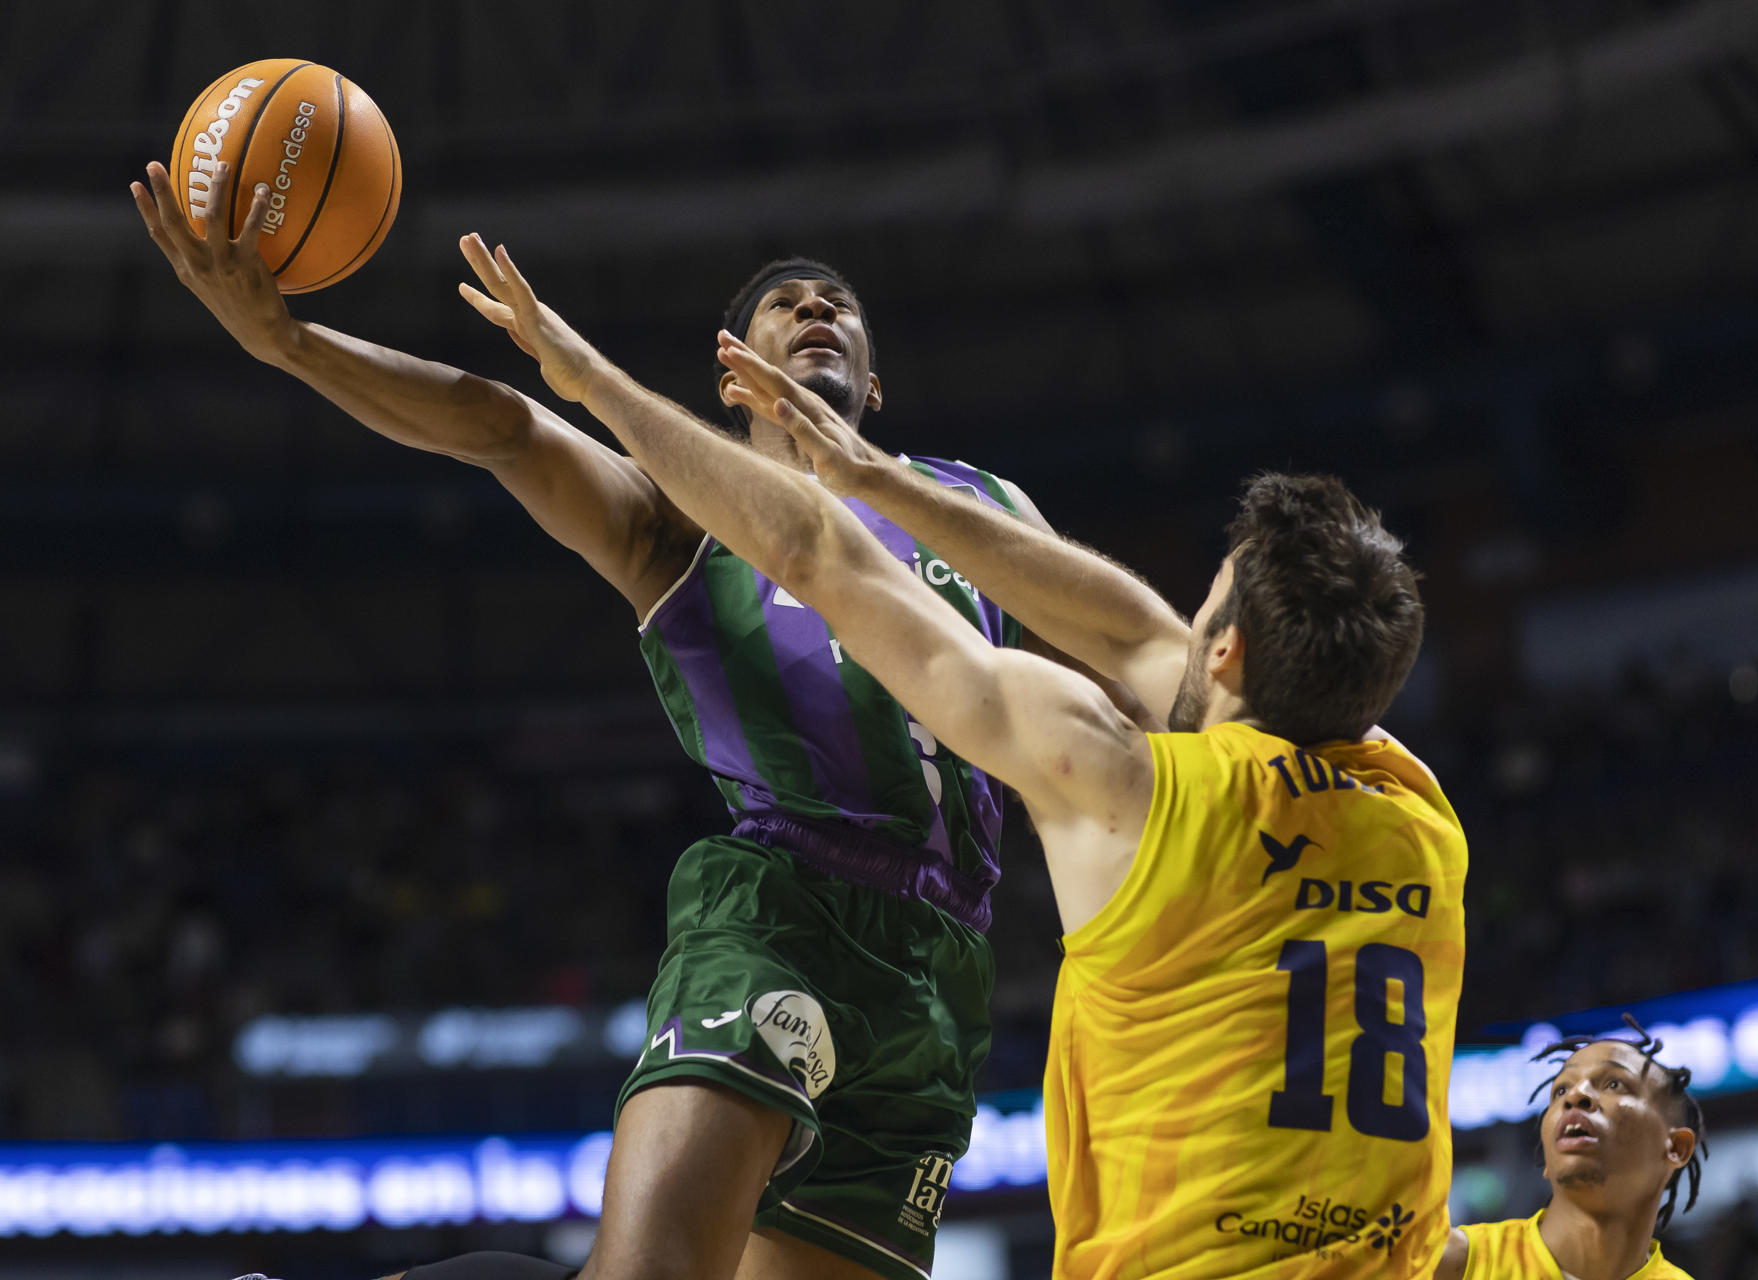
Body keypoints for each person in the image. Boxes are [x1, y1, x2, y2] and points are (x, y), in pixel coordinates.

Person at [132, 161, 1140, 1280]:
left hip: (944, 972)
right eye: (784, 302)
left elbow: (1125, 684)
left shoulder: (985, 508)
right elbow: (502, 427)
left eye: (836, 302)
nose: (816, 307)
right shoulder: (680, 523)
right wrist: (292, 345)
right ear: (732, 373)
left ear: (877, 381)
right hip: (784, 912)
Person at [458, 235, 1469, 1279]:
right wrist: (886, 476)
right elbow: (1153, 640)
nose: (1179, 617)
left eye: (1205, 602)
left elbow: (819, 555)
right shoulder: (1424, 817)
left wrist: (593, 383)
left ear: (1227, 649)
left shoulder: (1126, 785)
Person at [1434, 1019, 1706, 1280]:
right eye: (1561, 1090)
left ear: (1676, 1148)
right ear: (1548, 1161)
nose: (1576, 1095)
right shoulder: (1450, 1264)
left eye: (1614, 1084)